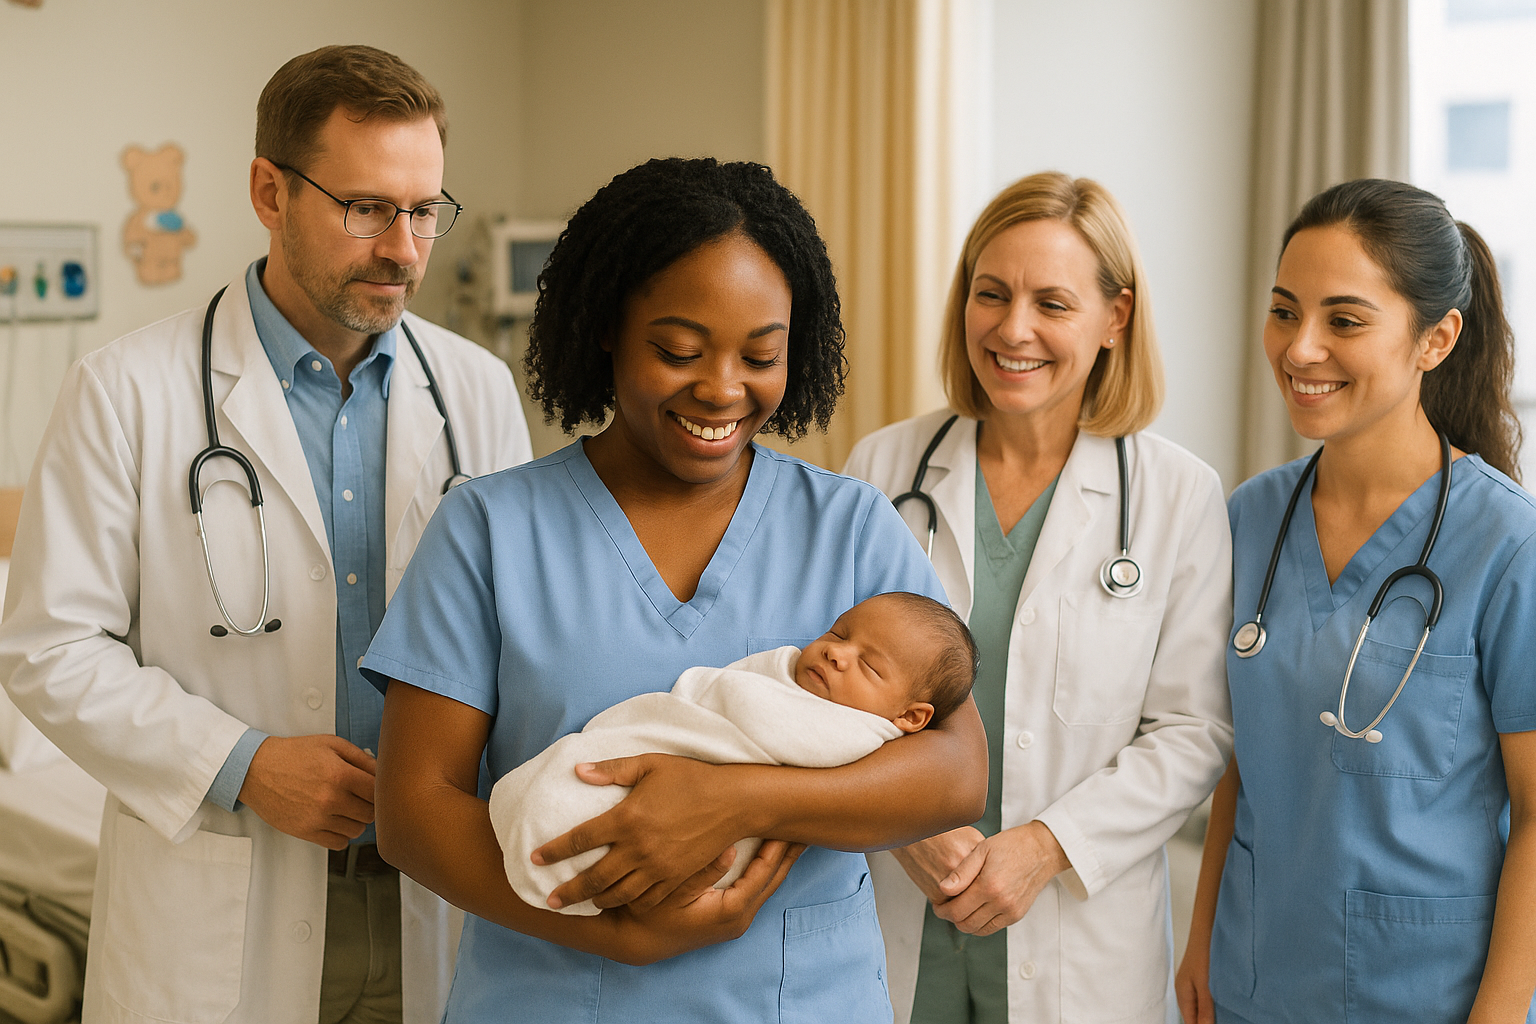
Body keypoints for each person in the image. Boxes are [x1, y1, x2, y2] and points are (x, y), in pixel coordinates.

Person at [357, 156, 989, 1023]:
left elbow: (955, 771)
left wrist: (733, 800)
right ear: (608, 328)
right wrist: (619, 937)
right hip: (552, 993)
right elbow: (415, 813)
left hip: (799, 1000)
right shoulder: (489, 531)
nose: (723, 389)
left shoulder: (849, 525)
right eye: (679, 351)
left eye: (760, 355)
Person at [0, 45, 531, 1024]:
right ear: (268, 191)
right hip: (226, 893)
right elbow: (50, 650)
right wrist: (241, 762)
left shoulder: (475, 391)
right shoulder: (127, 392)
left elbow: (510, 631)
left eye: (423, 211)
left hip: (435, 893)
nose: (405, 249)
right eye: (367, 208)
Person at [845, 170, 1234, 1024]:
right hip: (898, 915)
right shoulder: (883, 471)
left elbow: (1193, 730)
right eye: (992, 294)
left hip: (1077, 937)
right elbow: (824, 687)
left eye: (1052, 303)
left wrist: (1045, 848)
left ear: (1115, 318)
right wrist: (901, 824)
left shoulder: (1176, 496)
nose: (1013, 329)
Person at [1175, 179, 1536, 1024]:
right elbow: (1241, 761)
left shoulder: (1506, 544)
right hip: (1254, 975)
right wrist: (1199, 941)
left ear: (1436, 339)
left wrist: (1500, 1012)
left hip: (1428, 992)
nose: (1300, 349)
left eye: (1344, 320)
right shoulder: (1249, 519)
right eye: (1283, 311)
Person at [492, 591, 979, 915]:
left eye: (869, 667)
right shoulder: (789, 671)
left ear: (911, 719)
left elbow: (960, 779)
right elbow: (715, 697)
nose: (837, 653)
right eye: (838, 633)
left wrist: (735, 796)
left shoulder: (861, 736)